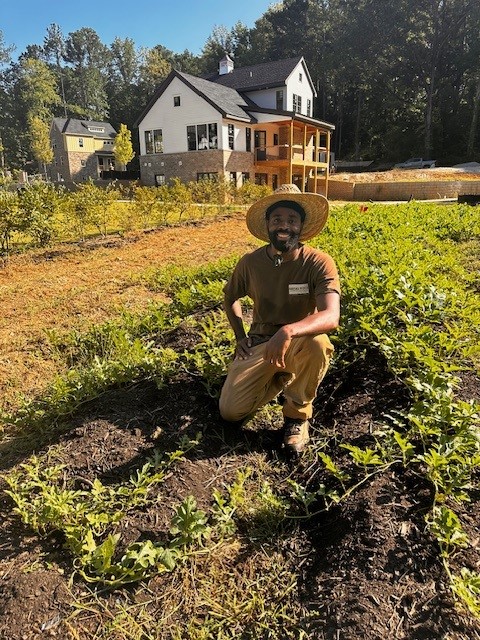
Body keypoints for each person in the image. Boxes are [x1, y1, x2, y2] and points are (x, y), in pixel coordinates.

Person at [219, 184, 341, 456]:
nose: (284, 226)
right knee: (230, 412)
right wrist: (240, 337)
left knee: (318, 343)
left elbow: (331, 315)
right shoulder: (250, 263)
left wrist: (289, 331)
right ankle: (281, 377)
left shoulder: (318, 262)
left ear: (301, 226)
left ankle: (297, 416)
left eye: (291, 220)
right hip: (261, 344)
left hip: (299, 343)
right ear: (267, 225)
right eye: (277, 220)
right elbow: (230, 298)